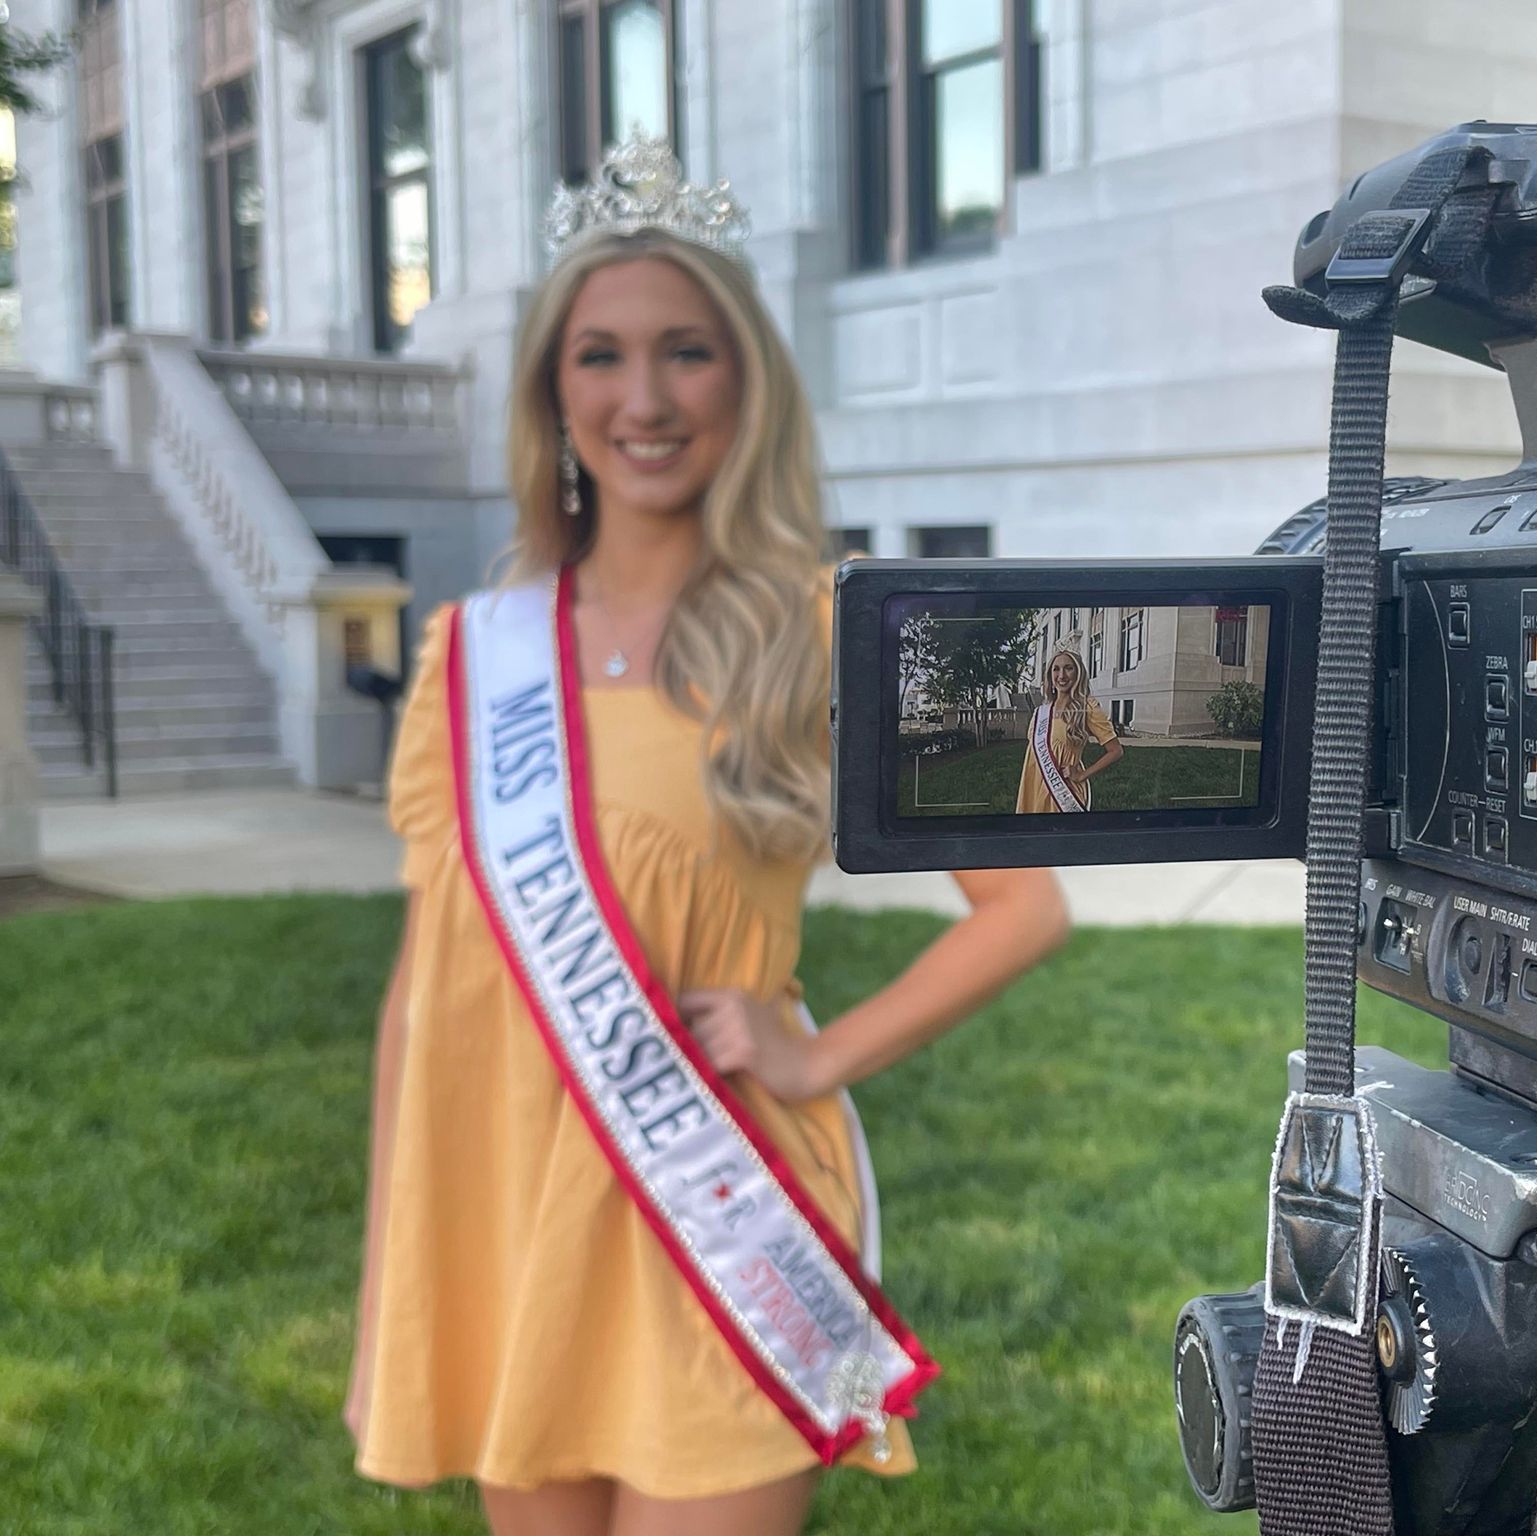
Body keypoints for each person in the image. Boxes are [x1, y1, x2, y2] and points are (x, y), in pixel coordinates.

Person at [345, 137, 1069, 1536]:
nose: (644, 398)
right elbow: (424, 986)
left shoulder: (826, 629)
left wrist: (815, 1053)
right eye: (600, 357)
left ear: (745, 385)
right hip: (511, 1226)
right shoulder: (470, 655)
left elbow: (1023, 908)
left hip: (718, 1211)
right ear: (554, 393)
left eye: (687, 352)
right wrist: (403, 1271)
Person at [1015, 645, 1123, 813]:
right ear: (1050, 675)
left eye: (1069, 668)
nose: (1062, 676)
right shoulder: (1040, 712)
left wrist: (1082, 775)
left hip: (1064, 794)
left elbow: (1116, 750)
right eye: (1056, 669)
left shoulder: (1087, 708)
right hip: (1034, 787)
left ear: (1078, 673)